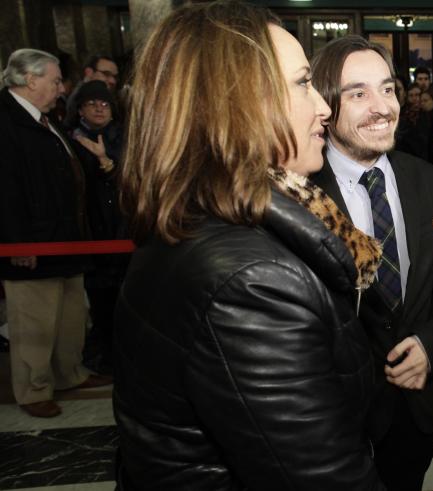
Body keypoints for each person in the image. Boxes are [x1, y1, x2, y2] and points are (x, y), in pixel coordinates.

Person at [112, 3, 383, 488]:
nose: (324, 107)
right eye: (302, 83)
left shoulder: (190, 220)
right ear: (239, 103)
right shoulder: (254, 280)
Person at [310, 35, 433, 491]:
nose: (382, 107)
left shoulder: (425, 179)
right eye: (358, 93)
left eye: (387, 88)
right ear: (324, 104)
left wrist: (431, 344)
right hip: (332, 417)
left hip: (414, 411)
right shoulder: (300, 192)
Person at [0, 48, 112, 419]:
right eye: (54, 80)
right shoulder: (6, 120)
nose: (61, 88)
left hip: (66, 240)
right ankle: (33, 391)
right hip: (32, 244)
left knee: (69, 318)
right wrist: (18, 242)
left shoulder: (47, 120)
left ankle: (69, 374)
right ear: (30, 80)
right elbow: (7, 189)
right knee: (35, 322)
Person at [65, 79, 127, 376]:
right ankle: (103, 358)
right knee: (100, 303)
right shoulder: (69, 139)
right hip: (91, 231)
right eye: (92, 104)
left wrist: (104, 159)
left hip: (124, 230)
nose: (99, 109)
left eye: (104, 104)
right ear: (80, 109)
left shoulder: (124, 137)